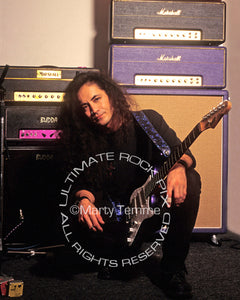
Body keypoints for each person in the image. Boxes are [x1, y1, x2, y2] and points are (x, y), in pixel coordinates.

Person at [57, 71, 201, 299]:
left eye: (96, 99)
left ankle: (173, 269)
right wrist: (83, 199)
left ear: (112, 96)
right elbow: (83, 182)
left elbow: (184, 153)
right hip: (114, 218)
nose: (93, 111)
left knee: (191, 179)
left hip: (151, 210)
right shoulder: (84, 138)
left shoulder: (147, 121)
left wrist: (179, 168)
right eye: (84, 106)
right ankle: (118, 253)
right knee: (74, 210)